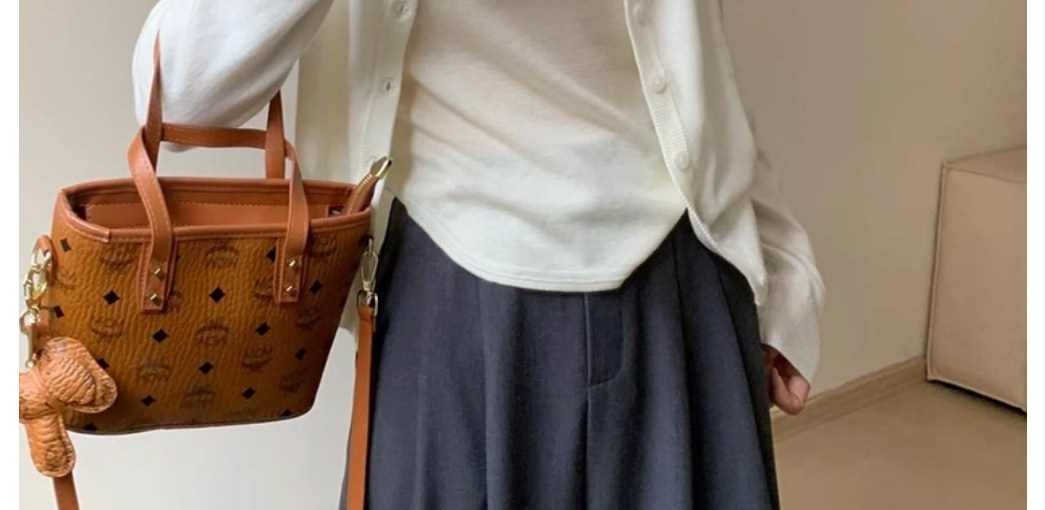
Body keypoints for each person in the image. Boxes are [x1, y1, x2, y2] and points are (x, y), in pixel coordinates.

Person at [132, 1, 825, 509]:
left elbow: (694, 63)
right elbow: (183, 95)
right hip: (449, 301)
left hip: (680, 284)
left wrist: (776, 262)